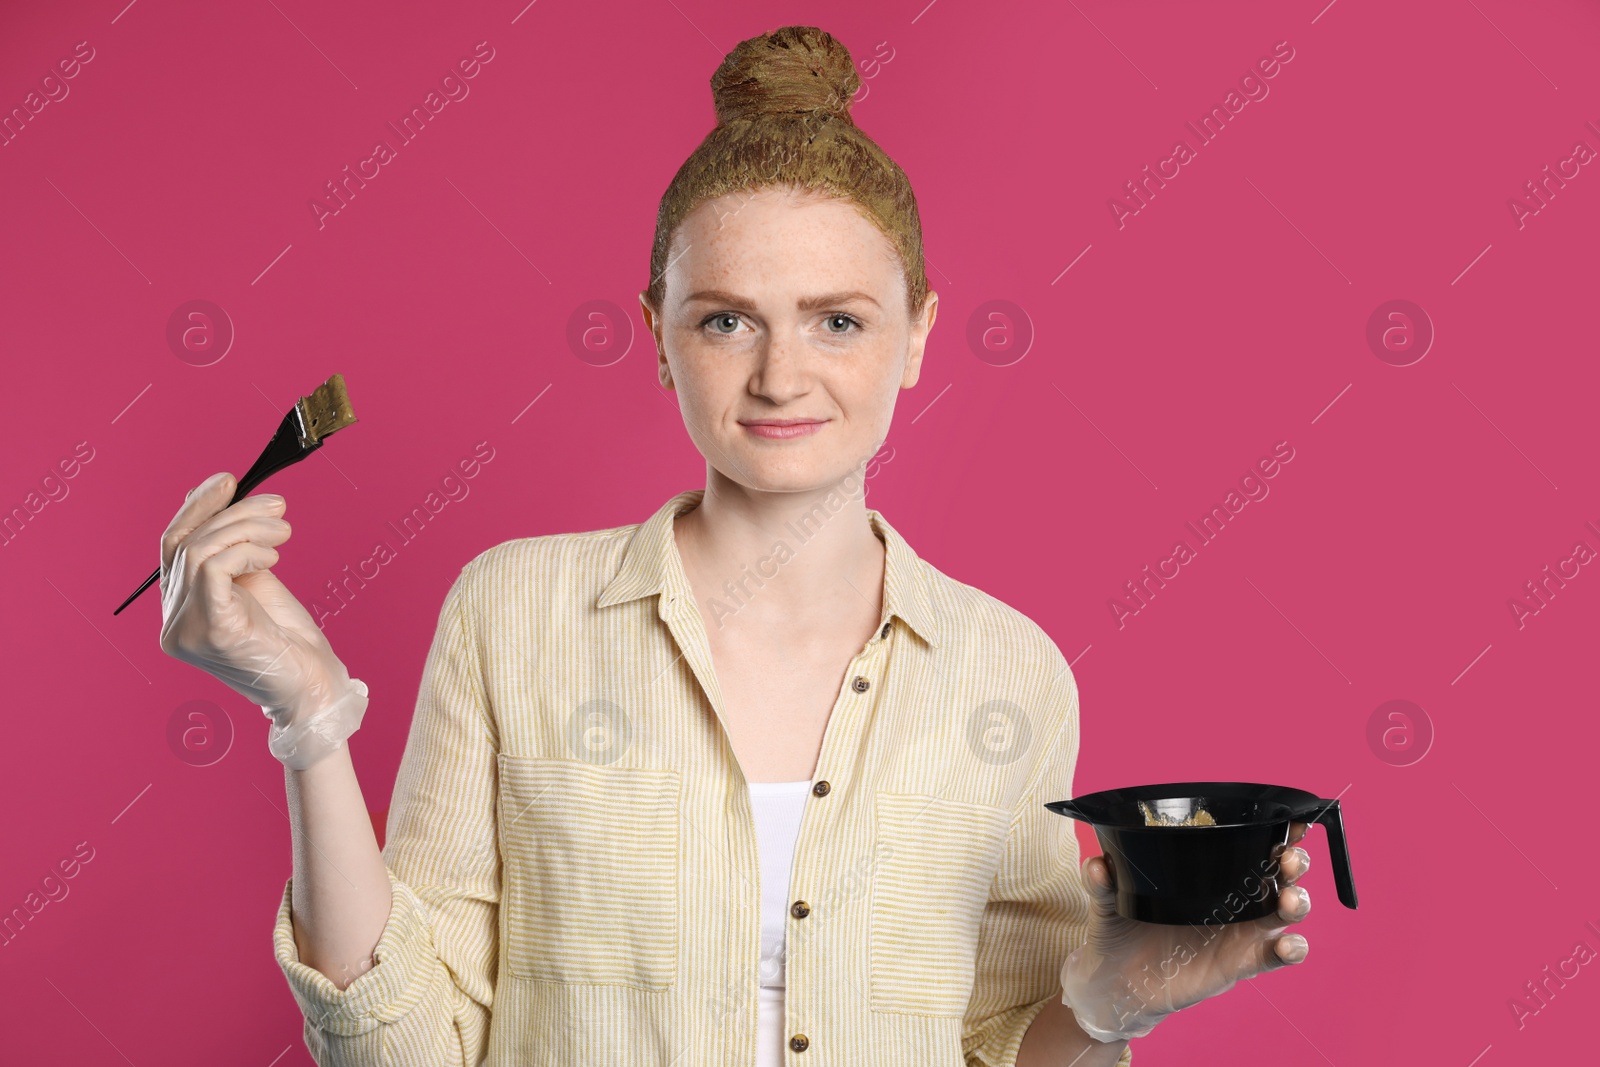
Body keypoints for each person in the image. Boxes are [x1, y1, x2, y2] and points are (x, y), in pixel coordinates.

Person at [157, 25, 1315, 1067]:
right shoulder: (512, 612)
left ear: (915, 335)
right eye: (725, 319)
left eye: (838, 320)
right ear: (661, 336)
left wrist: (1109, 1008)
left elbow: (997, 1051)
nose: (778, 374)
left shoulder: (1008, 672)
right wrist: (307, 716)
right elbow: (403, 1050)